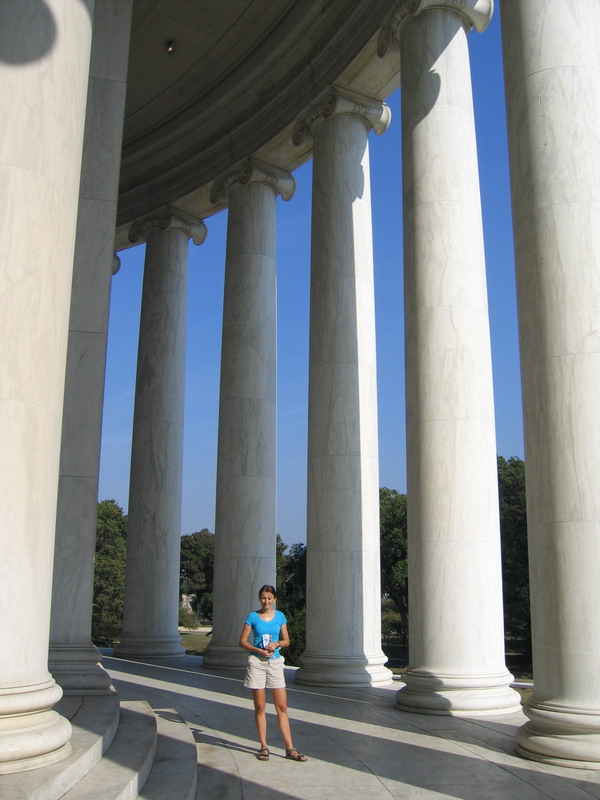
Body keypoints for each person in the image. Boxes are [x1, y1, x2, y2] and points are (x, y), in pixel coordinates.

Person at [239, 584, 307, 762]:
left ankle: (289, 747)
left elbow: (286, 641)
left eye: (269, 598)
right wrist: (259, 650)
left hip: (275, 662)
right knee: (260, 707)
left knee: (282, 707)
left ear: (274, 599)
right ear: (259, 598)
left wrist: (276, 644)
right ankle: (263, 746)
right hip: (257, 662)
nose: (266, 601)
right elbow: (242, 641)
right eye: (263, 598)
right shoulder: (253, 617)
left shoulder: (280, 616)